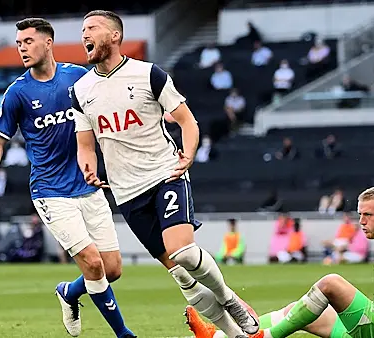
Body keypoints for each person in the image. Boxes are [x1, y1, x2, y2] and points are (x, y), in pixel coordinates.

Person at [71, 10, 258, 337]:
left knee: (183, 250)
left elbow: (187, 121)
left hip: (164, 174)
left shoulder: (149, 75)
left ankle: (230, 299)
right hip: (126, 193)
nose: (85, 34)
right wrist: (87, 165)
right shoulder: (81, 90)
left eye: (93, 28)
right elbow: (85, 144)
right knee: (182, 276)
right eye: (83, 29)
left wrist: (189, 154)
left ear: (115, 36)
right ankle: (236, 334)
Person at [0, 18, 134, 337]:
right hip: (50, 191)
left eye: (28, 42)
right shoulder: (18, 92)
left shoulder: (78, 76)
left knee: (112, 269)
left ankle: (69, 293)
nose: (22, 49)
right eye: (19, 44)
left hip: (88, 186)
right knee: (93, 264)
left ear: (48, 43)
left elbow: (111, 100)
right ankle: (124, 333)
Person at [186, 185, 374, 338]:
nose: (361, 221)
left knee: (331, 283)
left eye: (368, 215)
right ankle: (224, 336)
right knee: (299, 310)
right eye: (359, 214)